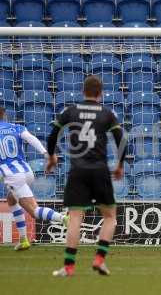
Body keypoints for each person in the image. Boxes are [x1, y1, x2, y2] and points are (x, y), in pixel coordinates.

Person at [46, 75, 127, 277]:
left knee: (75, 217)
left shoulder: (70, 111)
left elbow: (52, 134)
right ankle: (99, 260)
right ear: (101, 93)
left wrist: (52, 157)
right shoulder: (107, 113)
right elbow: (121, 139)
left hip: (78, 170)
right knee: (109, 217)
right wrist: (119, 165)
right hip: (99, 169)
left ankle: (69, 267)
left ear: (83, 91)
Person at [0, 107, 68, 251]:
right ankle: (24, 239)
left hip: (13, 177)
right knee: (11, 200)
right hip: (27, 171)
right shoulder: (16, 127)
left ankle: (64, 219)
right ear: (4, 115)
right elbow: (32, 139)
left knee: (34, 211)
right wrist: (46, 153)